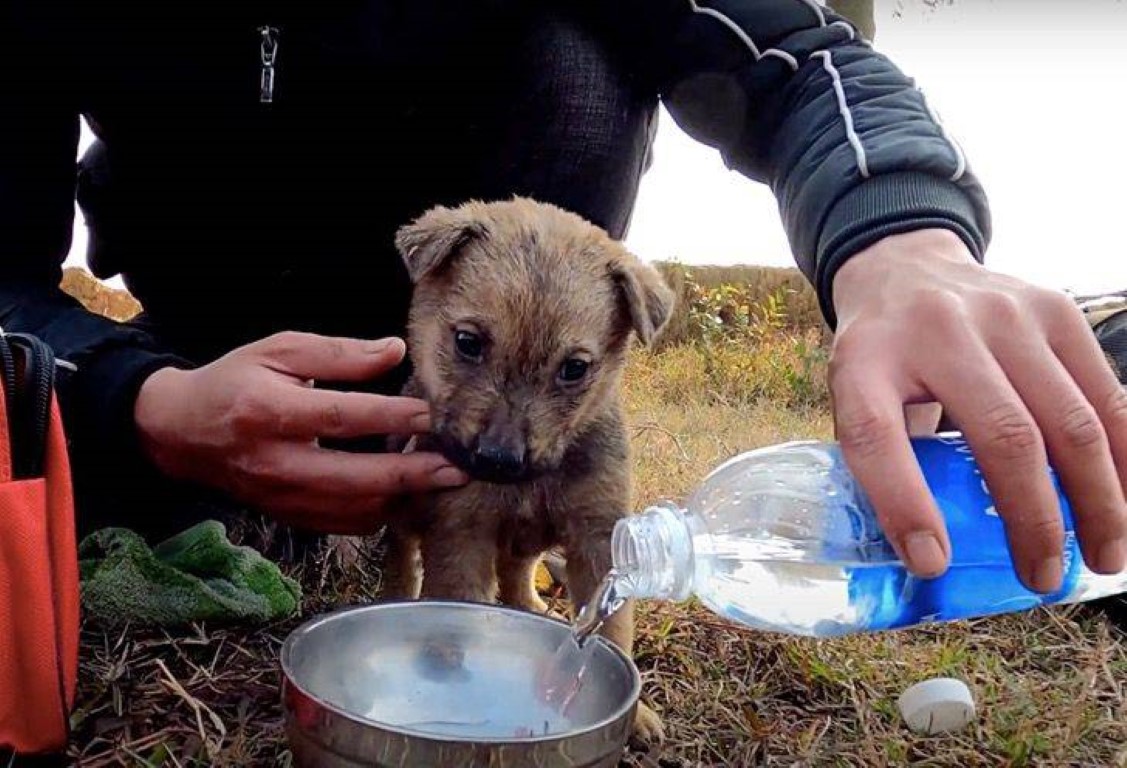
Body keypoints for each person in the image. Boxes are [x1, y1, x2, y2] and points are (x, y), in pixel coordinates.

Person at [2, 1, 1124, 597]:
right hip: (206, 342)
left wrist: (900, 242)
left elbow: (792, 56)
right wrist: (130, 401)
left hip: (514, 277)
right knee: (62, 489)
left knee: (581, 39)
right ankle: (226, 470)